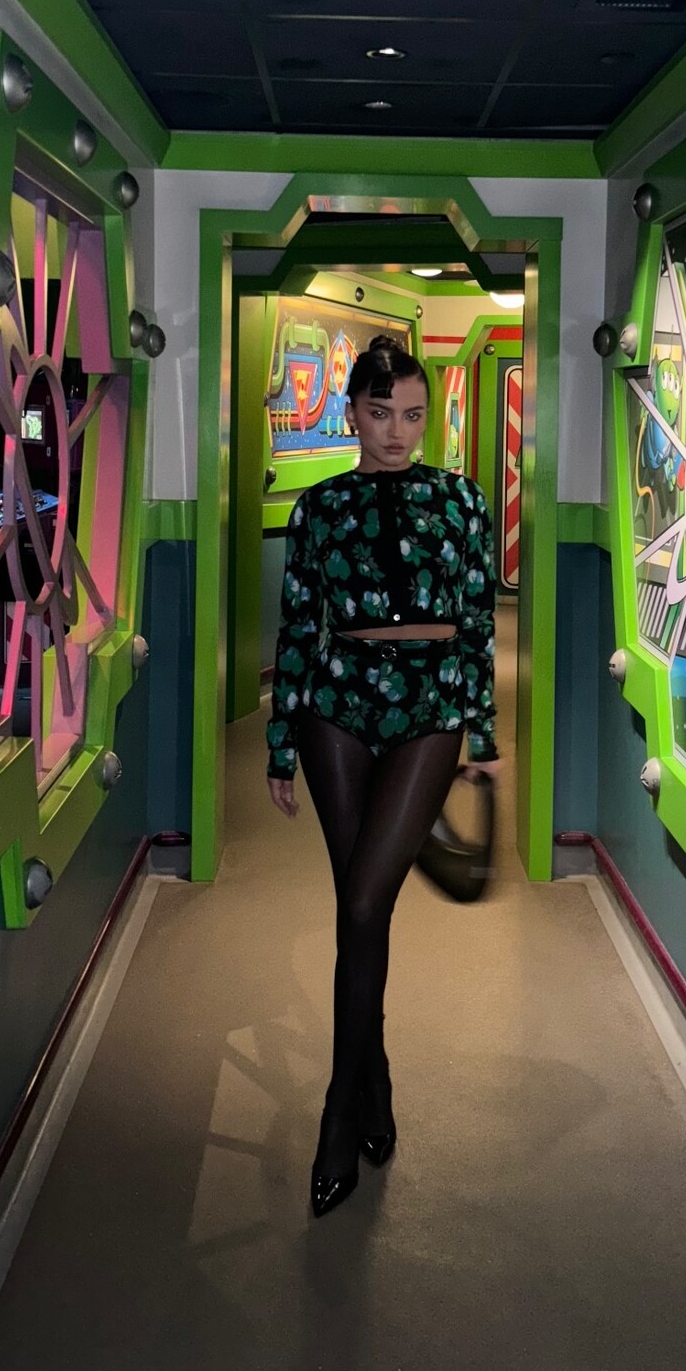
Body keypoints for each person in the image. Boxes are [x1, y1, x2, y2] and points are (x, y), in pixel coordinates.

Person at [265, 334, 501, 1218]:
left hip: (429, 708)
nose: (397, 432)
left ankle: (342, 1101)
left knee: (367, 902)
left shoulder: (463, 500)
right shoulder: (319, 507)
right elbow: (299, 627)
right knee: (356, 903)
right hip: (336, 706)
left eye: (412, 414)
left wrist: (481, 727)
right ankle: (372, 1073)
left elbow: (476, 620)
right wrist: (280, 742)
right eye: (379, 413)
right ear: (352, 414)